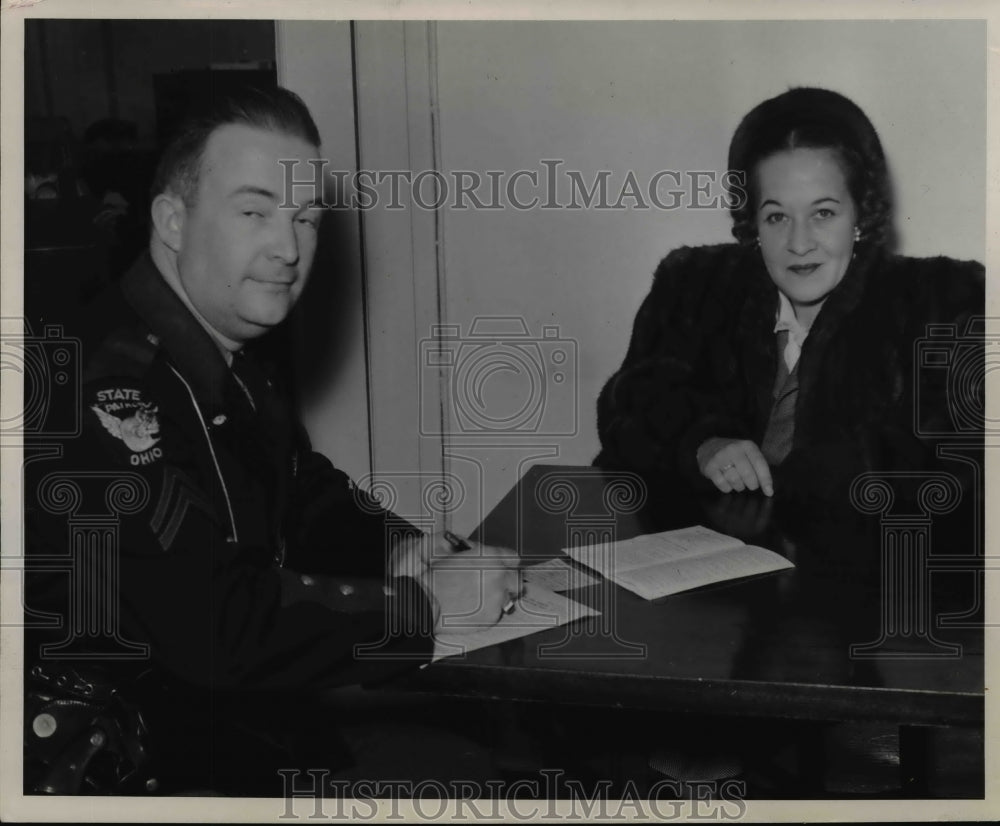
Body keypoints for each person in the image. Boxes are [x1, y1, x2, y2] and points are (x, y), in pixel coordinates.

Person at [23, 85, 519, 796]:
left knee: (465, 759)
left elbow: (304, 491)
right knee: (463, 774)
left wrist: (401, 548)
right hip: (117, 764)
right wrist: (425, 608)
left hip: (214, 727)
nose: (288, 248)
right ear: (171, 219)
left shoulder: (226, 360)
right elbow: (212, 627)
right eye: (255, 212)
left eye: (305, 218)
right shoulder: (102, 389)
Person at [596, 87, 984, 504]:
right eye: (777, 216)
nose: (799, 243)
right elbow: (632, 405)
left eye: (823, 213)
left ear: (861, 215)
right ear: (754, 224)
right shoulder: (694, 288)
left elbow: (958, 470)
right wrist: (702, 443)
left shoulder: (940, 305)